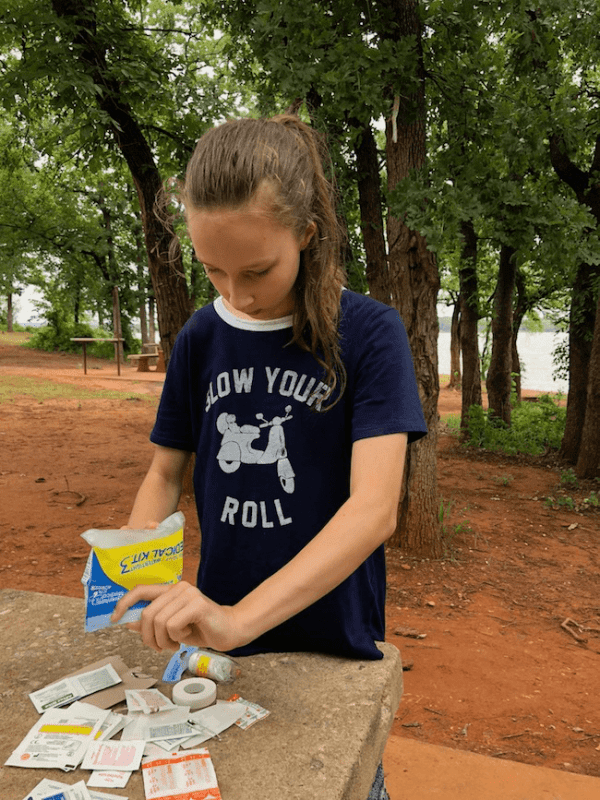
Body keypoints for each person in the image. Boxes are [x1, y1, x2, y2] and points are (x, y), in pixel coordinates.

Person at [112, 114, 427, 799]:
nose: (236, 294)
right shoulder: (202, 334)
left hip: (331, 644)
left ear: (307, 236)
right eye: (212, 269)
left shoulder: (369, 335)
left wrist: (240, 619)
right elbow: (166, 471)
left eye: (257, 269)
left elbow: (374, 509)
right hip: (219, 647)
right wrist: (134, 576)